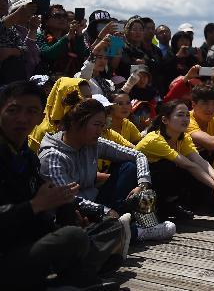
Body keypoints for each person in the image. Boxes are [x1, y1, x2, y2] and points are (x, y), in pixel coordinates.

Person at [0, 79, 128, 290]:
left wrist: (65, 216)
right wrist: (36, 206)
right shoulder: (47, 154)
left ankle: (76, 274)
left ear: (40, 117)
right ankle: (80, 274)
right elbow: (34, 207)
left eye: (31, 111)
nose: (22, 118)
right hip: (6, 255)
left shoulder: (27, 157)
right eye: (13, 110)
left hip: (31, 241)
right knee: (74, 238)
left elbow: (50, 203)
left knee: (105, 227)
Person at [38, 98, 176, 241]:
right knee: (73, 216)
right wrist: (105, 211)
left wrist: (143, 184)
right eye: (96, 125)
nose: (100, 131)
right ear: (75, 123)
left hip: (96, 202)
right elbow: (67, 197)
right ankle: (136, 232)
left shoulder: (93, 143)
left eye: (102, 125)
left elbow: (138, 155)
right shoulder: (53, 156)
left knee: (129, 167)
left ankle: (125, 225)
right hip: (70, 211)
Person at [135, 100, 214, 219]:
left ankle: (173, 205)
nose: (185, 119)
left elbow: (200, 161)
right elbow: (190, 165)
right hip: (139, 182)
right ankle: (160, 207)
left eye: (187, 115)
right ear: (165, 120)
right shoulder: (154, 139)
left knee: (191, 166)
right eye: (180, 115)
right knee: (170, 166)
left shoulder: (184, 138)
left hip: (157, 180)